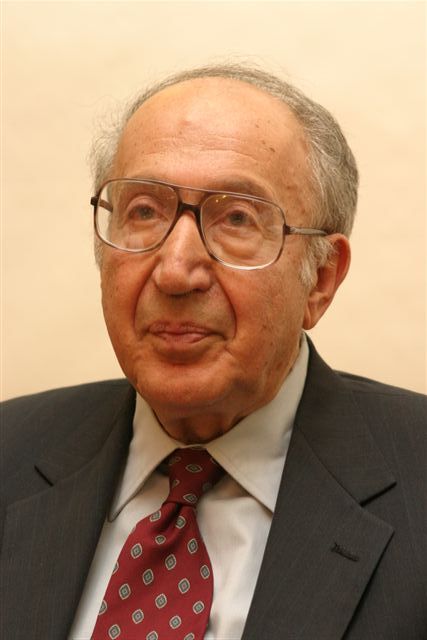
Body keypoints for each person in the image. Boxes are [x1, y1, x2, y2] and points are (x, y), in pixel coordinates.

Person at [1, 63, 426, 640]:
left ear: (322, 278)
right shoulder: (10, 452)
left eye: (236, 218)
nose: (176, 271)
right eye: (144, 210)